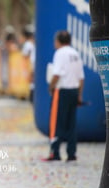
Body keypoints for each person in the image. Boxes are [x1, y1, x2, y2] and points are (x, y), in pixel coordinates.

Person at [44, 30, 84, 162]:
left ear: (58, 41)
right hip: (74, 91)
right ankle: (71, 153)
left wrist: (51, 87)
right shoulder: (75, 54)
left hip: (62, 91)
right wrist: (79, 95)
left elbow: (57, 74)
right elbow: (81, 78)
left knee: (56, 122)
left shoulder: (60, 53)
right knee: (71, 123)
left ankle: (55, 152)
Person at [20, 25, 36, 102]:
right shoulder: (33, 44)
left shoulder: (27, 44)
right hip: (33, 63)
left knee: (31, 80)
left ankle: (32, 96)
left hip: (31, 64)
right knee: (32, 80)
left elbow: (25, 55)